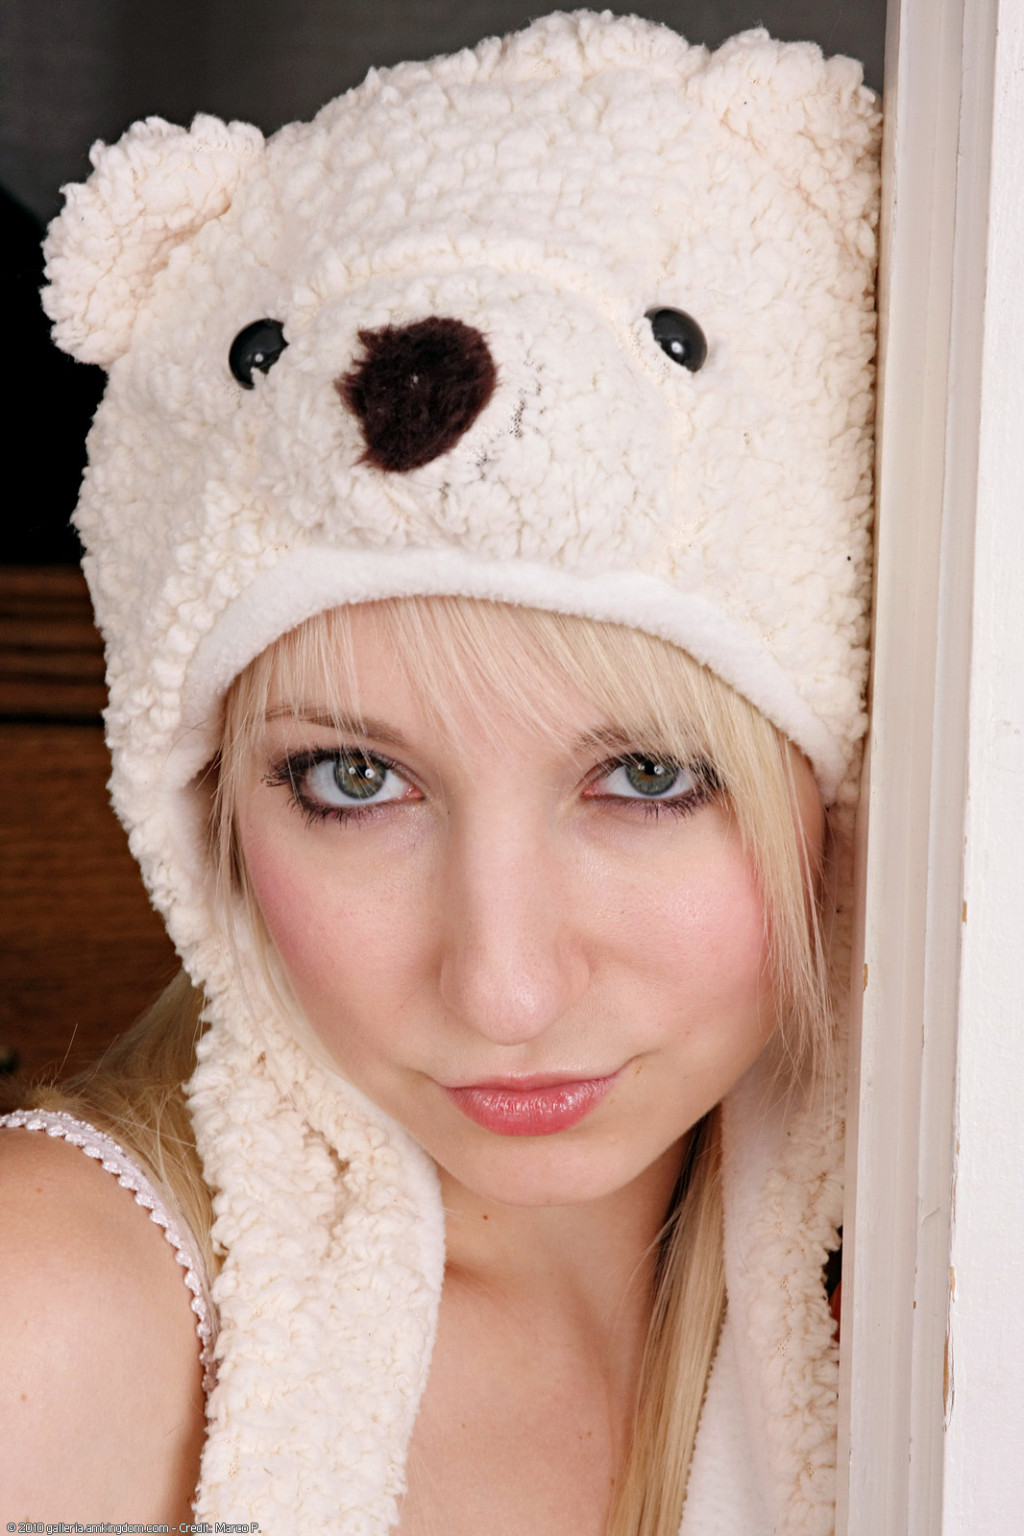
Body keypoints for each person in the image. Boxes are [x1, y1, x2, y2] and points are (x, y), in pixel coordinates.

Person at [0, 12, 879, 1535]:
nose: (505, 988)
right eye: (353, 779)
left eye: (648, 776)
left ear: (837, 789)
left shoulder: (921, 1345)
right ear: (200, 811)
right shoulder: (55, 1319)